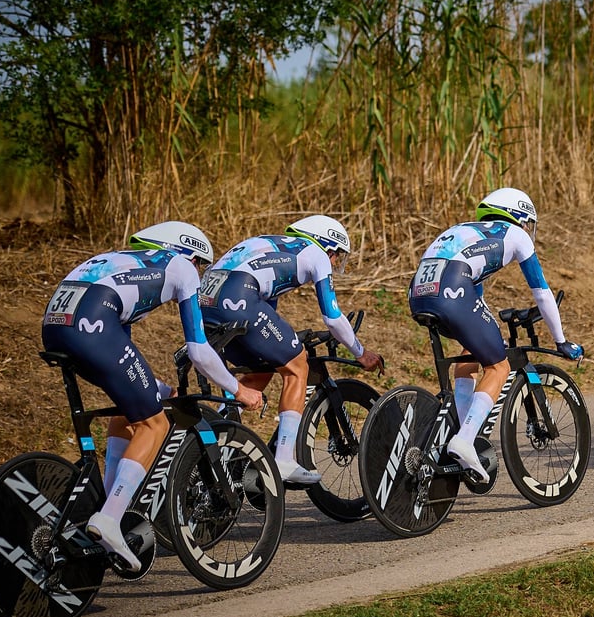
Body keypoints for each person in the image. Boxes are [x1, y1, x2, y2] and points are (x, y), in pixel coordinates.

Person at [41, 221, 264, 571]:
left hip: (57, 328)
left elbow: (122, 355)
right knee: (154, 423)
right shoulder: (179, 267)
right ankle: (110, 519)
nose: (198, 274)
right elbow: (199, 351)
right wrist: (239, 390)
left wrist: (158, 389)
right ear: (185, 253)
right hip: (92, 328)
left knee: (131, 409)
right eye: (200, 264)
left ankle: (109, 504)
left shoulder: (122, 263)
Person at [407, 187, 582, 483]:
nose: (528, 230)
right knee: (498, 366)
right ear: (518, 218)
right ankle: (464, 440)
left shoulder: (467, 231)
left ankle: (464, 431)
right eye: (528, 223)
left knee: (472, 352)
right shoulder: (515, 235)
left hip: (419, 294)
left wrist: (489, 337)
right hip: (452, 289)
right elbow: (541, 292)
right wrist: (561, 340)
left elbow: (476, 301)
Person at [199, 215, 384, 485]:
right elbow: (332, 317)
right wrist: (360, 352)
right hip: (239, 298)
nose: (334, 262)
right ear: (326, 245)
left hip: (206, 303)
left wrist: (282, 340)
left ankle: (221, 448)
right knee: (297, 365)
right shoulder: (316, 253)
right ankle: (284, 459)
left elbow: (266, 313)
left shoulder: (270, 245)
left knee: (262, 369)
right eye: (336, 255)